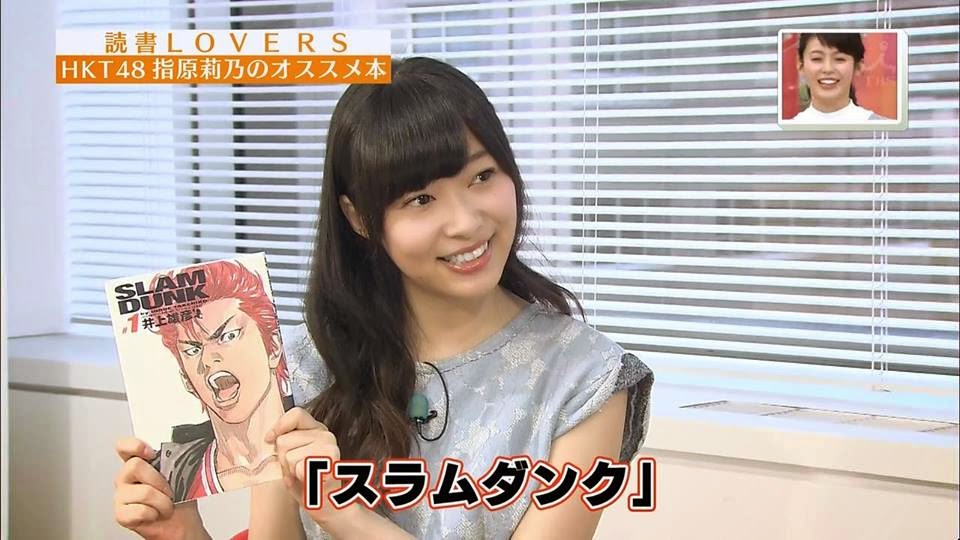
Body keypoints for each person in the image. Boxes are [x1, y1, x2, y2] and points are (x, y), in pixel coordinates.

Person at [113, 57, 653, 539]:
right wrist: (184, 535)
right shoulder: (299, 365)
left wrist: (342, 514)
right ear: (359, 218)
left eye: (482, 176)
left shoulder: (586, 379)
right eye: (420, 199)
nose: (466, 222)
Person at [116, 259, 293, 511]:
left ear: (273, 347)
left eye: (228, 336)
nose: (208, 360)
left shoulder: (324, 439)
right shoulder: (175, 475)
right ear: (185, 378)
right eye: (192, 350)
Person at [792, 32, 890, 122]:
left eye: (839, 59)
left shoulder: (884, 129)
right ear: (800, 65)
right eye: (817, 58)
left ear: (858, 66)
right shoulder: (787, 130)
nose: (828, 69)